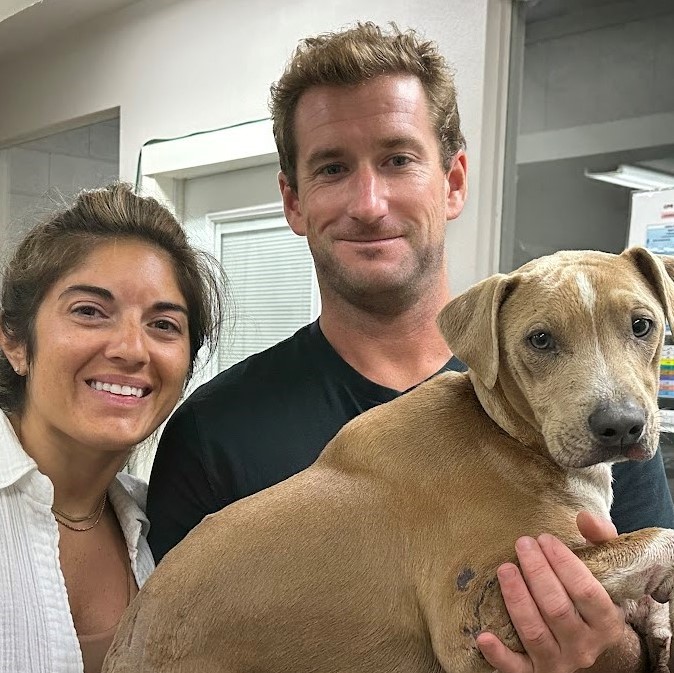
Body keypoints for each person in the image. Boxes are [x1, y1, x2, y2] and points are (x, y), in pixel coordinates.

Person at [147, 22, 674, 672]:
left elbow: (648, 646)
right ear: (293, 200)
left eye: (398, 159)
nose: (369, 203)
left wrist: (611, 652)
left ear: (453, 180)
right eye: (333, 168)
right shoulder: (211, 433)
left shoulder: (600, 425)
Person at [0, 183, 224, 673]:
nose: (131, 349)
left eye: (164, 324)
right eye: (89, 312)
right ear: (16, 342)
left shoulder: (161, 528)